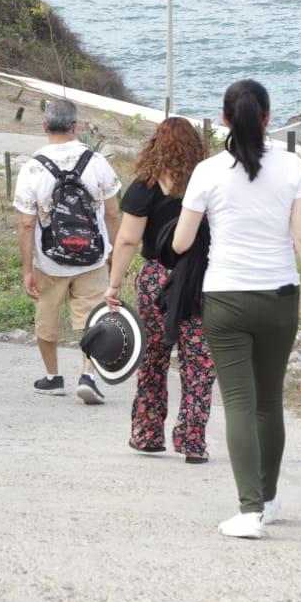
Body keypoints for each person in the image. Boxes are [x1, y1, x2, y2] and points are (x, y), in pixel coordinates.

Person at [172, 79, 301, 539]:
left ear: (224, 119)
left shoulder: (207, 172)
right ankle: (268, 498)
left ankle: (247, 512)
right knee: (269, 403)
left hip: (225, 297)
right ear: (268, 119)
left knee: (239, 403)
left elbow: (182, 241)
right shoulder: (292, 168)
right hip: (280, 297)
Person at [104, 116, 215, 461]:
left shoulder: (144, 185)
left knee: (153, 356)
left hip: (157, 278)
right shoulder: (209, 181)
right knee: (199, 361)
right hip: (200, 279)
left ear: (155, 145)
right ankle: (192, 439)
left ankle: (148, 433)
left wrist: (114, 284)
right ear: (196, 147)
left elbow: (126, 240)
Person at [14, 99, 122, 405]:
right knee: (95, 318)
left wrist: (26, 269)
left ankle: (52, 377)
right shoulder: (96, 161)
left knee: (47, 317)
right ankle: (87, 374)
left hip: (50, 261)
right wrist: (112, 249)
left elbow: (25, 224)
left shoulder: (33, 167)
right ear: (76, 127)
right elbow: (113, 213)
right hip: (92, 257)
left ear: (45, 126)